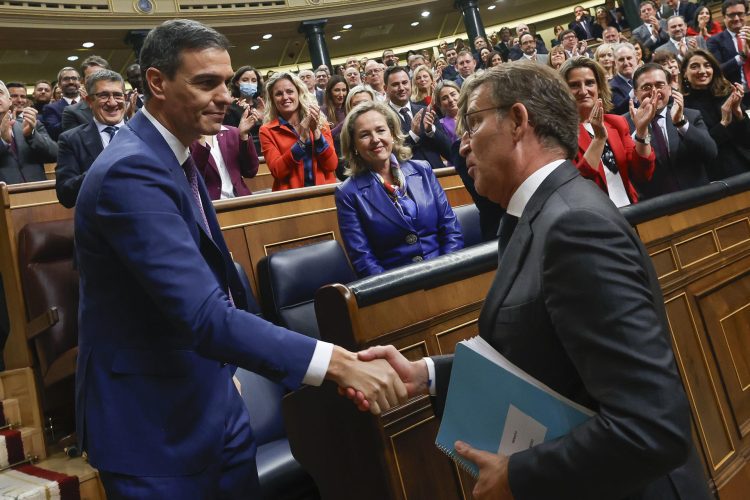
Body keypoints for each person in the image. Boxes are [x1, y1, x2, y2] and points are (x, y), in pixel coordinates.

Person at [74, 19, 407, 499]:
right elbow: (205, 314)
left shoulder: (177, 156)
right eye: (206, 82)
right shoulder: (131, 170)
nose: (226, 95)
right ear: (156, 83)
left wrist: (227, 372)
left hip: (211, 399)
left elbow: (220, 279)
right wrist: (335, 363)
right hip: (156, 428)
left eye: (227, 81)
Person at [350, 61, 711, 500]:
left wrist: (518, 476)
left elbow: (652, 426)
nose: (462, 144)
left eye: (474, 123)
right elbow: (541, 354)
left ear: (519, 121)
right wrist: (425, 374)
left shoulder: (574, 226)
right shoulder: (532, 215)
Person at [334, 101, 463, 277]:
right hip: (396, 289)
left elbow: (450, 228)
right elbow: (363, 259)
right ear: (354, 146)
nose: (375, 139)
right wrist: (397, 292)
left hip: (446, 274)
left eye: (380, 130)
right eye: (364, 135)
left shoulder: (422, 169)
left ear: (393, 133)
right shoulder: (348, 193)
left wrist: (446, 272)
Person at [562, 57, 656, 206]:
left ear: (599, 87)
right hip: (596, 217)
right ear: (563, 90)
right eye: (574, 85)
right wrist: (599, 139)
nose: (583, 90)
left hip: (632, 210)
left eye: (589, 83)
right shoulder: (559, 133)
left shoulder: (616, 123)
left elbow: (643, 173)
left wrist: (641, 132)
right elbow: (577, 186)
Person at [625, 63, 716, 199]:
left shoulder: (690, 116)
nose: (654, 91)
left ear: (669, 89)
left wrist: (681, 123)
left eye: (660, 85)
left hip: (699, 199)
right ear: (636, 93)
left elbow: (711, 153)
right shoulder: (623, 124)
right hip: (655, 208)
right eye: (646, 87)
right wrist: (640, 130)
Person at [55, 70, 127, 208]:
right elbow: (65, 195)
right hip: (100, 223)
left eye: (118, 95)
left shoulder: (144, 134)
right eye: (104, 96)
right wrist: (104, 168)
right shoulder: (71, 140)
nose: (112, 103)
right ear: (89, 101)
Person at [259, 72, 338, 191]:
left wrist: (316, 131)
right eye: (279, 94)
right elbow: (278, 171)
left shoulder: (320, 121)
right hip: (290, 198)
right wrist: (302, 140)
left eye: (290, 91)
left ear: (299, 93)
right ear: (272, 99)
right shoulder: (267, 130)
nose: (285, 97)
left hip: (324, 192)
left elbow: (331, 165)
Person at [681, 48, 750, 179]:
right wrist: (723, 123)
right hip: (718, 176)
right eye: (695, 66)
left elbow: (747, 140)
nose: (702, 71)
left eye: (707, 65)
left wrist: (739, 115)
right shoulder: (683, 107)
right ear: (684, 73)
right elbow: (702, 150)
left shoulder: (728, 93)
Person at [384, 65, 452, 171]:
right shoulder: (383, 118)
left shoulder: (426, 111)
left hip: (440, 175)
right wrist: (412, 136)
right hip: (409, 179)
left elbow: (449, 151)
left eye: (404, 83)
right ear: (386, 89)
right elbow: (390, 154)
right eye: (395, 84)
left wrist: (431, 131)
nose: (401, 88)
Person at [189, 107, 260, 200]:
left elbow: (251, 172)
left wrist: (243, 136)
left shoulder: (232, 132)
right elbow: (194, 181)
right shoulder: (189, 140)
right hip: (212, 206)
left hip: (242, 201)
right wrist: (201, 143)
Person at [0, 80, 57, 184]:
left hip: (39, 194)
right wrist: (3, 142)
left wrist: (31, 135)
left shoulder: (31, 124)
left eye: (0, 93)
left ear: (9, 101)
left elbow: (54, 155)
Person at [706, 0, 750, 100]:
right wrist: (741, 57)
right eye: (731, 15)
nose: (736, 18)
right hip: (733, 95)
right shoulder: (714, 41)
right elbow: (717, 70)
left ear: (746, 14)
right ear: (724, 17)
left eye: (740, 14)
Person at [42, 66, 81, 140]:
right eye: (66, 79)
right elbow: (53, 132)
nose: (71, 82)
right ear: (59, 85)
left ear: (80, 82)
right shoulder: (50, 108)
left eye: (74, 78)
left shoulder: (90, 104)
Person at [321, 75, 349, 156]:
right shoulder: (322, 112)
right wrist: (341, 126)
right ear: (329, 92)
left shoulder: (350, 107)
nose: (341, 94)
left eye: (344, 90)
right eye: (337, 90)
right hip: (334, 156)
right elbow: (323, 138)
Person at [610, 43, 640, 114]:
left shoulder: (645, 79)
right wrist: (636, 87)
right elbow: (620, 110)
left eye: (629, 58)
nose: (626, 63)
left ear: (636, 59)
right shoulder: (611, 87)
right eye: (621, 60)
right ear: (615, 64)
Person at [433, 80, 461, 145]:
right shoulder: (440, 125)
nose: (451, 100)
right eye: (444, 98)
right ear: (439, 104)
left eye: (453, 94)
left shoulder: (472, 114)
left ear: (460, 94)